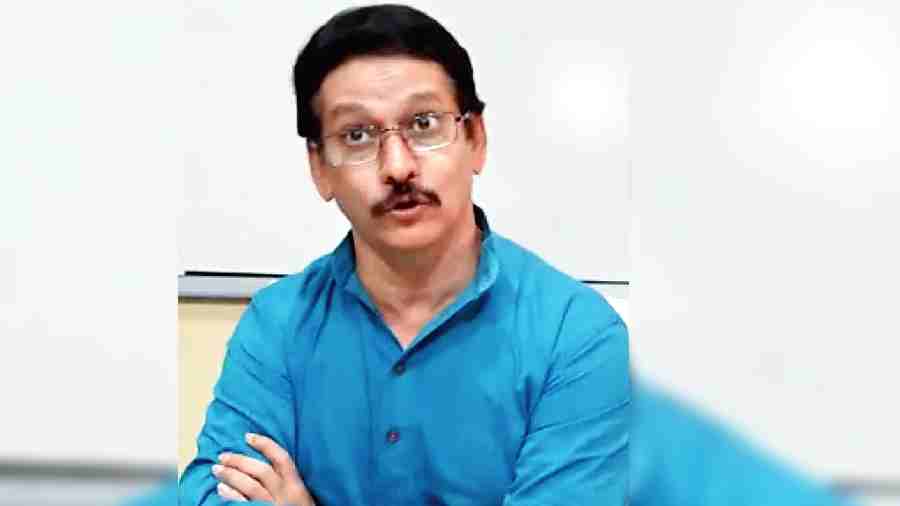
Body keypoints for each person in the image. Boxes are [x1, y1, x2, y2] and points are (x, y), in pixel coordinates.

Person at [178, 4, 630, 505]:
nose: (397, 167)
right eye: (357, 135)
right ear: (319, 168)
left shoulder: (575, 334)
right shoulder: (278, 325)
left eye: (423, 124)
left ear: (476, 139)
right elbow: (214, 493)